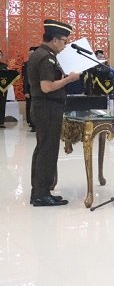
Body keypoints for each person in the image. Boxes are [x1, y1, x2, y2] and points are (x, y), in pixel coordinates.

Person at [28, 19, 80, 206]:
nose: (65, 45)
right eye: (64, 41)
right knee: (47, 150)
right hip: (47, 108)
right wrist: (69, 79)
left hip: (44, 107)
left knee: (43, 149)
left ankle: (39, 191)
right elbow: (47, 87)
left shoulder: (41, 53)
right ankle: (41, 194)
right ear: (55, 40)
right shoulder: (46, 57)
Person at [22, 46, 38, 131]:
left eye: (33, 54)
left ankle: (37, 124)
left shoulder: (40, 63)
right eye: (30, 54)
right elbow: (25, 78)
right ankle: (31, 123)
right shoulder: (26, 64)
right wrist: (25, 91)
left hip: (39, 88)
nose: (31, 55)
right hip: (29, 89)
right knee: (30, 107)